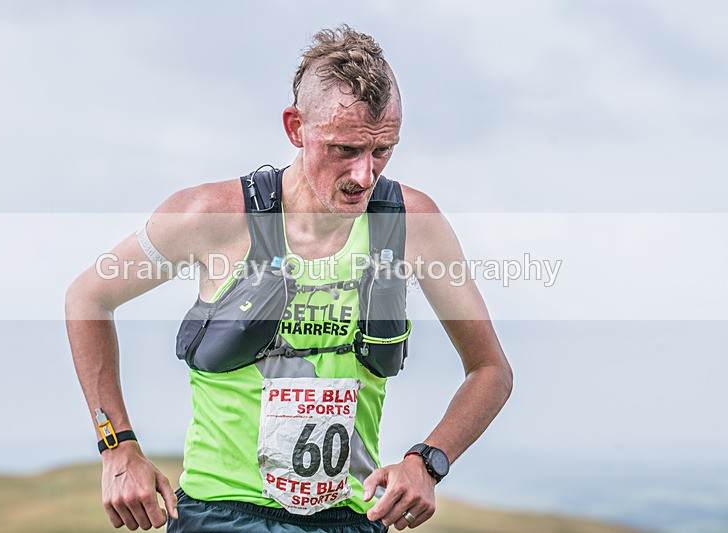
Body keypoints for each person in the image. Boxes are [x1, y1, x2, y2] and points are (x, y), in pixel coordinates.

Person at [66, 25, 512, 532]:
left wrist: (428, 461)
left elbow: (491, 370)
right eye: (344, 149)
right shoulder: (209, 216)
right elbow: (88, 297)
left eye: (383, 150)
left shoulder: (413, 224)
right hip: (218, 515)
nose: (364, 175)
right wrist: (116, 446)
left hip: (347, 518)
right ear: (295, 127)